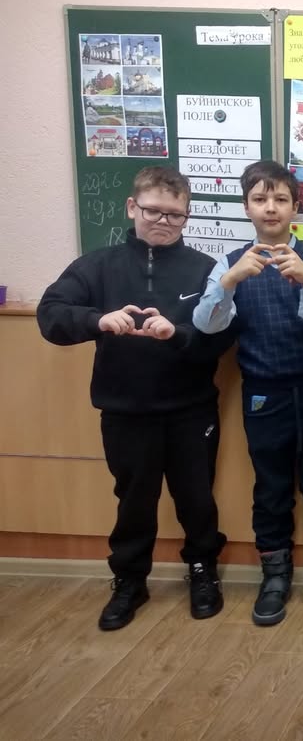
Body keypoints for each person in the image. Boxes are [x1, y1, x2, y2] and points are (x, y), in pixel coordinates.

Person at [37, 166, 234, 631]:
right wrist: (98, 321)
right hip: (125, 411)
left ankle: (202, 569)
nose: (163, 221)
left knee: (196, 497)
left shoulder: (206, 269)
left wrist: (178, 333)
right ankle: (129, 580)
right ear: (132, 207)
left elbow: (223, 336)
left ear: (187, 216)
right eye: (153, 211)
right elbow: (50, 315)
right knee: (133, 501)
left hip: (191, 411)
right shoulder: (97, 266)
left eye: (175, 214)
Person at [193, 160, 303, 629]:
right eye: (260, 199)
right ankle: (275, 575)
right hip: (262, 391)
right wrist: (230, 281)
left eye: (280, 199)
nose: (271, 208)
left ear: (295, 207)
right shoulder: (229, 263)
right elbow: (206, 325)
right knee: (271, 486)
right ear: (247, 207)